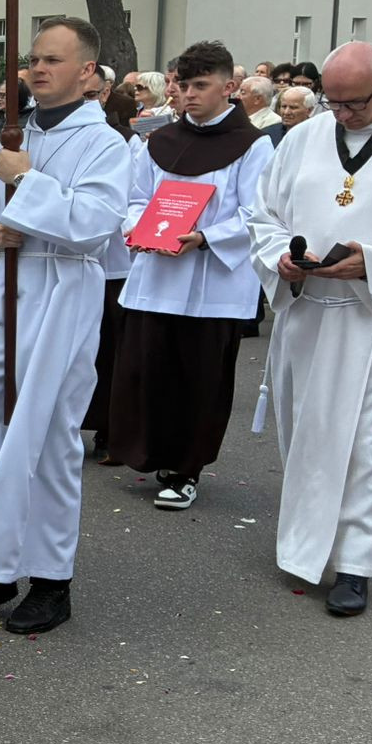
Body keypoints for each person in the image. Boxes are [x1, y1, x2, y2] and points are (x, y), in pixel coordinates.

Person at [0, 18, 129, 633]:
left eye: (53, 60)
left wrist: (25, 181)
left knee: (45, 440)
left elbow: (96, 224)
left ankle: (51, 579)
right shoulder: (9, 139)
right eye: (33, 59)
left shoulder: (103, 144)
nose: (37, 69)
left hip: (58, 296)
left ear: (86, 71)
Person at [251, 42, 372, 617]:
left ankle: (356, 563)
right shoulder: (302, 138)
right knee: (308, 432)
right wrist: (281, 257)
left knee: (369, 443)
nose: (344, 114)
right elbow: (263, 214)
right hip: (308, 310)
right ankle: (309, 545)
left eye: (355, 103)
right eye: (334, 102)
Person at [107, 42, 272, 509]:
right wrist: (137, 228)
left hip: (211, 285)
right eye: (183, 84)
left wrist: (205, 237)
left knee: (199, 380)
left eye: (201, 85)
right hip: (157, 275)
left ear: (229, 86)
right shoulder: (159, 141)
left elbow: (258, 214)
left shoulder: (253, 146)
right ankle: (154, 453)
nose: (189, 94)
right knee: (149, 371)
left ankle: (187, 469)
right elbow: (135, 198)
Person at [82, 86, 140, 464]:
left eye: (92, 94)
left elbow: (134, 196)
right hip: (70, 263)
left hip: (113, 265)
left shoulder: (126, 142)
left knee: (109, 350)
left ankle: (110, 429)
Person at [239, 76, 284, 142]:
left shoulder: (274, 123)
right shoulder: (238, 118)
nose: (237, 96)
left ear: (257, 99)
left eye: (243, 93)